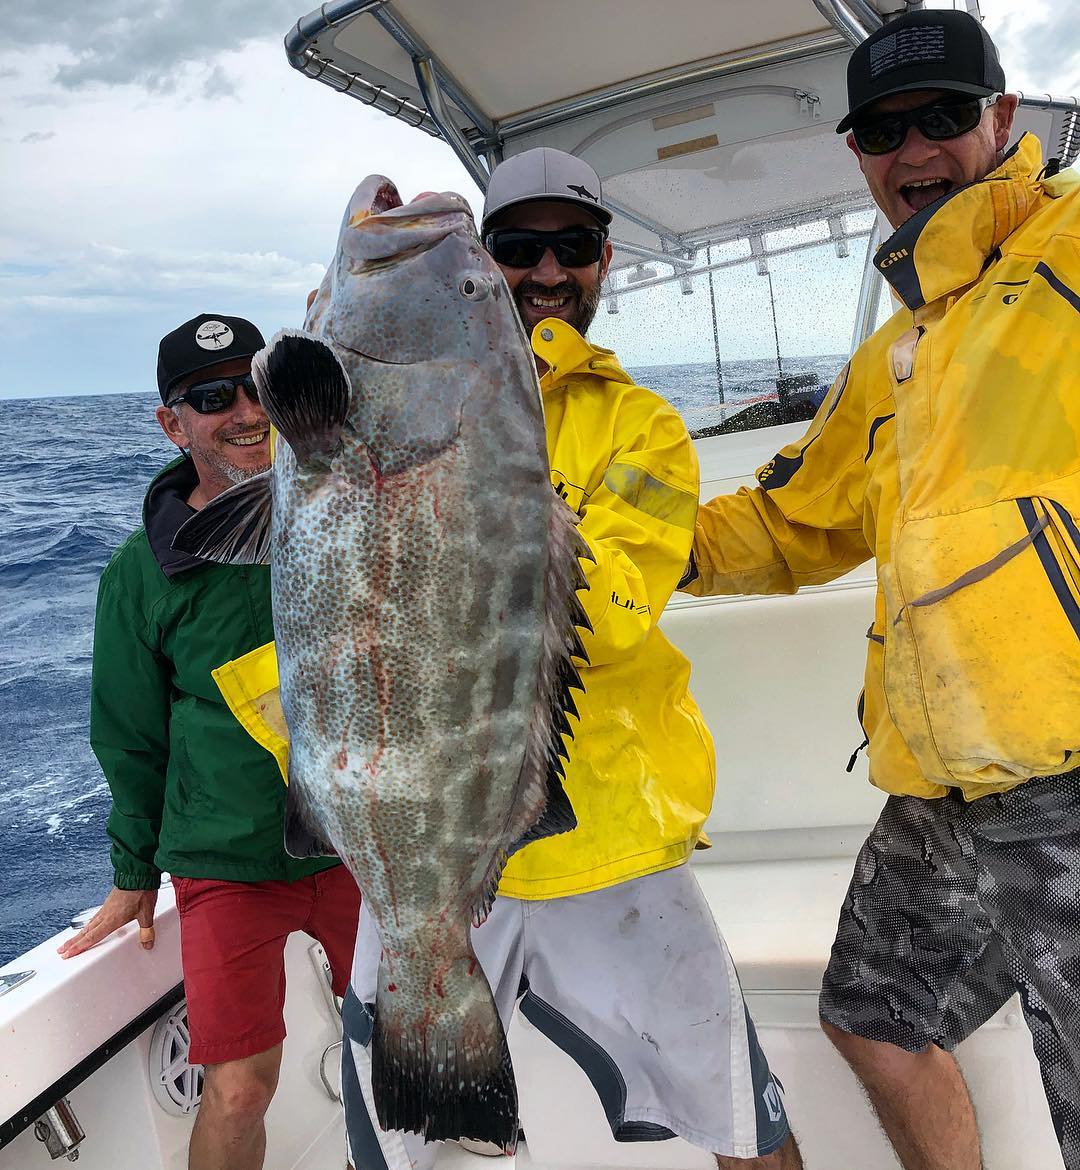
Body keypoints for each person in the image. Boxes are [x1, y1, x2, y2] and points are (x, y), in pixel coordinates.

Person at [327, 149, 803, 1168]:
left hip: (610, 836)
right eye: (514, 248)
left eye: (572, 246)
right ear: (489, 264)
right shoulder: (368, 405)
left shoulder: (645, 426)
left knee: (742, 1124)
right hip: (423, 839)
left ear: (604, 261)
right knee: (394, 1145)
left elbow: (612, 608)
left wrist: (469, 525)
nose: (546, 269)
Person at [684, 10, 1080, 1169]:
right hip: (938, 796)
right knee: (872, 1014)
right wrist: (612, 536)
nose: (914, 152)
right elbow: (791, 523)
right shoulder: (891, 358)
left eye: (945, 118)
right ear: (856, 155)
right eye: (883, 131)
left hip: (1066, 780)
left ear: (1004, 121)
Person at [58, 313, 361, 1170]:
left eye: (257, 387)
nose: (244, 411)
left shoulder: (345, 508)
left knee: (400, 1033)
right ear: (171, 422)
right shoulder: (138, 573)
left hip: (358, 837)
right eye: (210, 396)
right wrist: (131, 874)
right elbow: (129, 736)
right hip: (227, 860)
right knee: (238, 1087)